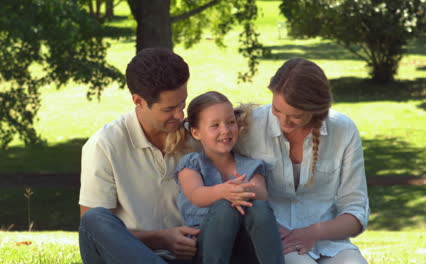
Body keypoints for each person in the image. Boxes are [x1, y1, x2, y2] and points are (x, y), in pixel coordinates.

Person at [235, 58, 370, 264]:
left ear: (316, 109)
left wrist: (311, 233)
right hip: (274, 241)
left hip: (329, 241)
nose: (283, 122)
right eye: (277, 110)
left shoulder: (343, 130)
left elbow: (355, 209)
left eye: (295, 116)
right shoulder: (249, 127)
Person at [78, 48, 199, 264]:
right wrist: (161, 239)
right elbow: (96, 235)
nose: (180, 115)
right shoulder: (105, 145)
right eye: (169, 109)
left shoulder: (197, 136)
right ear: (138, 101)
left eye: (183, 103)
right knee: (93, 219)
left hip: (193, 256)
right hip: (132, 258)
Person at [175, 91, 285, 264]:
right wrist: (224, 191)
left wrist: (241, 190)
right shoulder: (192, 164)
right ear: (196, 133)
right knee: (227, 206)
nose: (225, 130)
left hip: (245, 247)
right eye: (215, 125)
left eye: (230, 122)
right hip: (206, 246)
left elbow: (262, 193)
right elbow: (196, 195)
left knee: (259, 208)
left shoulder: (251, 165)